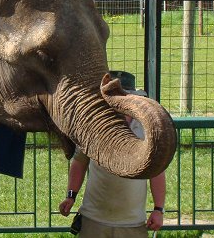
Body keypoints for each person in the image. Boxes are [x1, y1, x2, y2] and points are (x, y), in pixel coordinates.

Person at [58, 71, 166, 237]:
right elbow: (79, 162)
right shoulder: (93, 126)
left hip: (133, 223)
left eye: (122, 98)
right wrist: (70, 196)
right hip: (93, 220)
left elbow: (156, 171)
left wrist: (159, 209)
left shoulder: (147, 129)